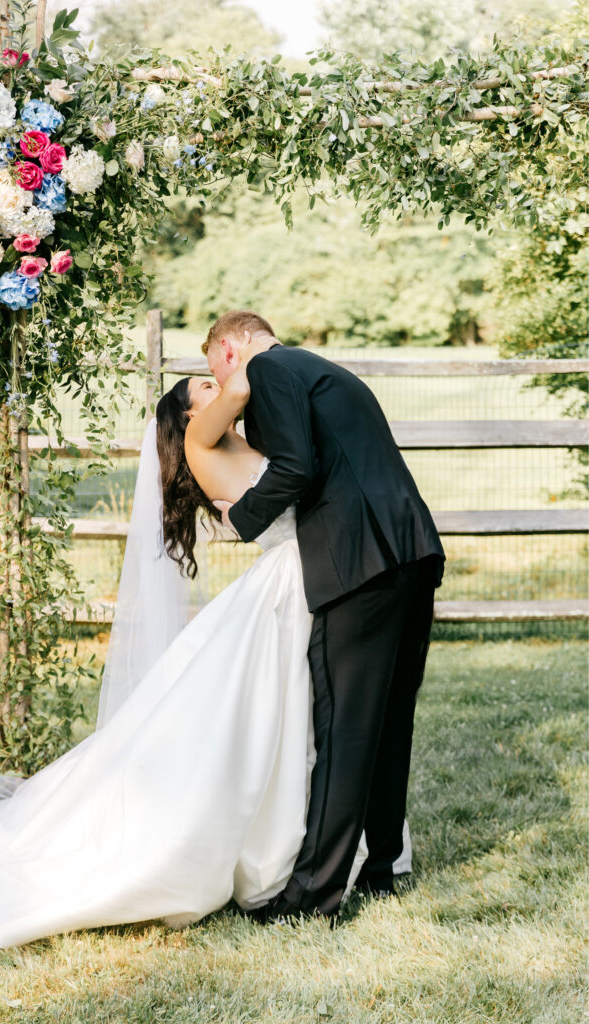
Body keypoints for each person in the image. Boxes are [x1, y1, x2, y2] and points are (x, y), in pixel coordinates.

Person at [0, 338, 411, 948]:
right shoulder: (204, 436)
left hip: (311, 579)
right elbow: (249, 386)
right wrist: (253, 352)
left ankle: (331, 850)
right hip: (293, 585)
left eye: (211, 376)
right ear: (192, 414)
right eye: (202, 385)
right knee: (280, 723)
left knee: (308, 723)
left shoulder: (251, 444)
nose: (214, 384)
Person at [204, 310, 445, 919]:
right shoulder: (324, 369)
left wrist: (240, 521)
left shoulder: (268, 368)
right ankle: (385, 867)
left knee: (343, 730)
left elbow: (296, 466)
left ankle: (313, 896)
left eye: (215, 369)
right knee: (389, 723)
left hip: (358, 563)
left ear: (230, 349)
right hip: (413, 550)